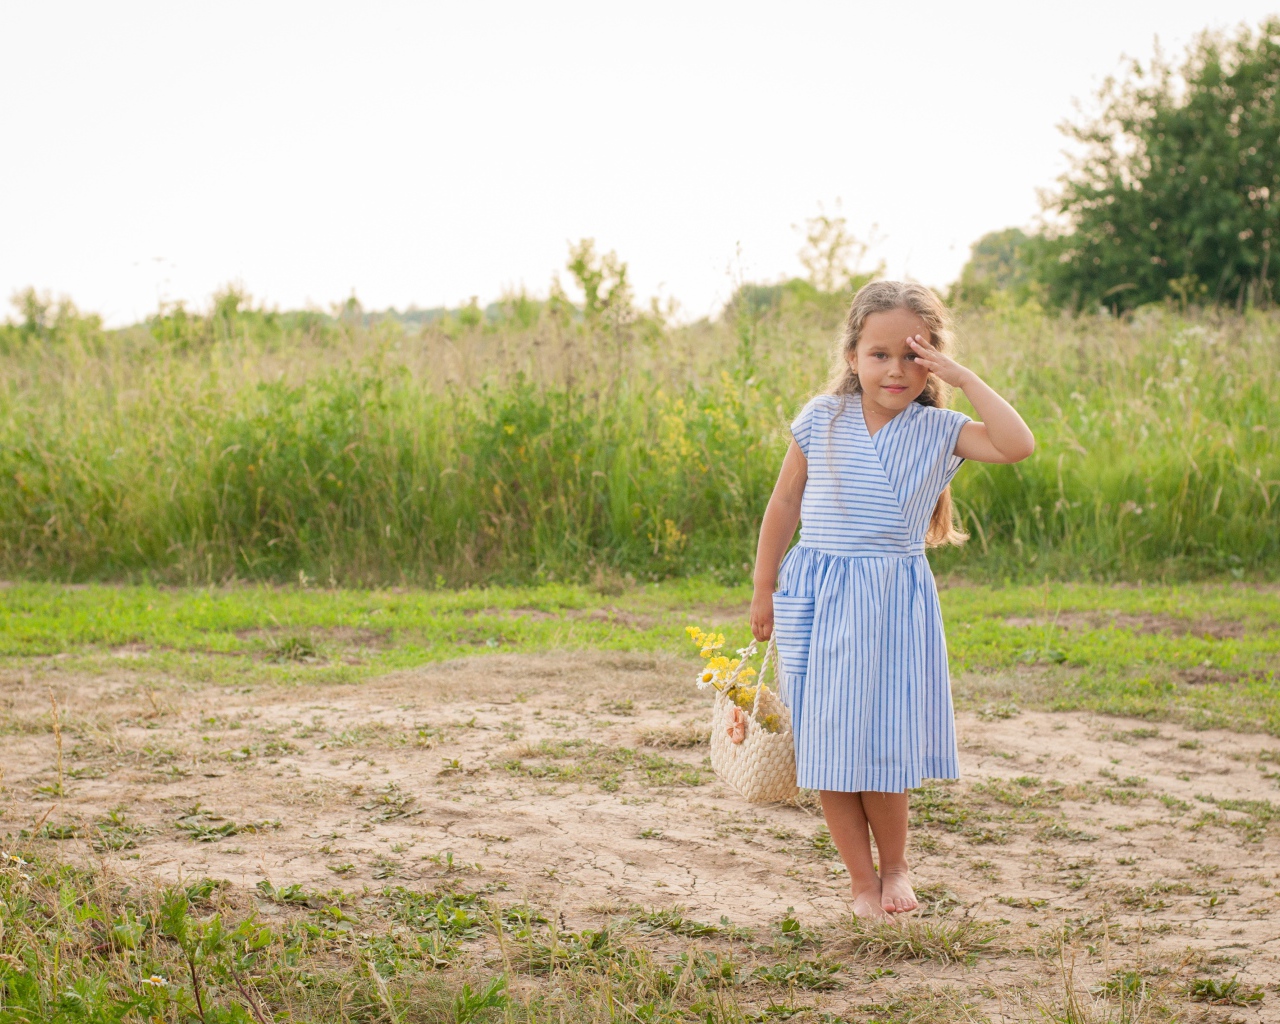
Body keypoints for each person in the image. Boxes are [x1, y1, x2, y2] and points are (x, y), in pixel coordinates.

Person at [750, 280, 1034, 920]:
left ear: (933, 359)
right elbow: (784, 502)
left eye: (914, 354)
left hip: (890, 605)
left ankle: (897, 865)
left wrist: (963, 378)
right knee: (826, 745)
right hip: (818, 598)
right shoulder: (822, 418)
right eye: (879, 354)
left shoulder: (939, 429)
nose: (896, 370)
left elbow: (1017, 445)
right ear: (852, 356)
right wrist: (763, 586)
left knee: (883, 741)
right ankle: (860, 881)